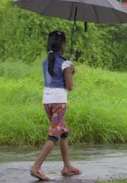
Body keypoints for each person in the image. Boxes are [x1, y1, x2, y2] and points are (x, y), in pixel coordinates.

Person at [30, 30, 82, 181]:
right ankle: (36, 167)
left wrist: (69, 70)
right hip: (59, 101)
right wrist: (71, 72)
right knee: (54, 135)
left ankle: (67, 166)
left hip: (47, 101)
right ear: (63, 45)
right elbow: (70, 87)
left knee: (63, 132)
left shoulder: (46, 61)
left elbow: (54, 78)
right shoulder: (65, 63)